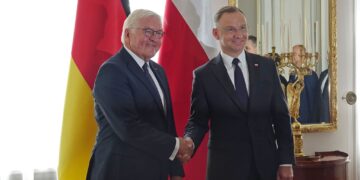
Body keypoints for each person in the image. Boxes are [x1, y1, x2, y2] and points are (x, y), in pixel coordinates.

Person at [182, 6, 295, 180]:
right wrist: (189, 141)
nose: (239, 34)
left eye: (242, 28)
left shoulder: (266, 67)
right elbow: (198, 121)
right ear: (216, 33)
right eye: (230, 29)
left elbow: (281, 116)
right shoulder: (204, 75)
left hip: (265, 166)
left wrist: (285, 161)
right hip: (225, 168)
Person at [86, 9, 193, 180]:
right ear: (127, 34)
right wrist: (176, 145)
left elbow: (167, 125)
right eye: (148, 31)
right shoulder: (112, 70)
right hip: (118, 171)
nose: (154, 38)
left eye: (159, 33)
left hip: (154, 171)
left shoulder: (158, 71)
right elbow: (128, 127)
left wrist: (175, 171)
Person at [288, 44, 319, 124]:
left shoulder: (311, 75)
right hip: (293, 120)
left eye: (294, 54)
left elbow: (313, 102)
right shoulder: (292, 74)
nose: (292, 56)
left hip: (307, 121)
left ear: (302, 56)